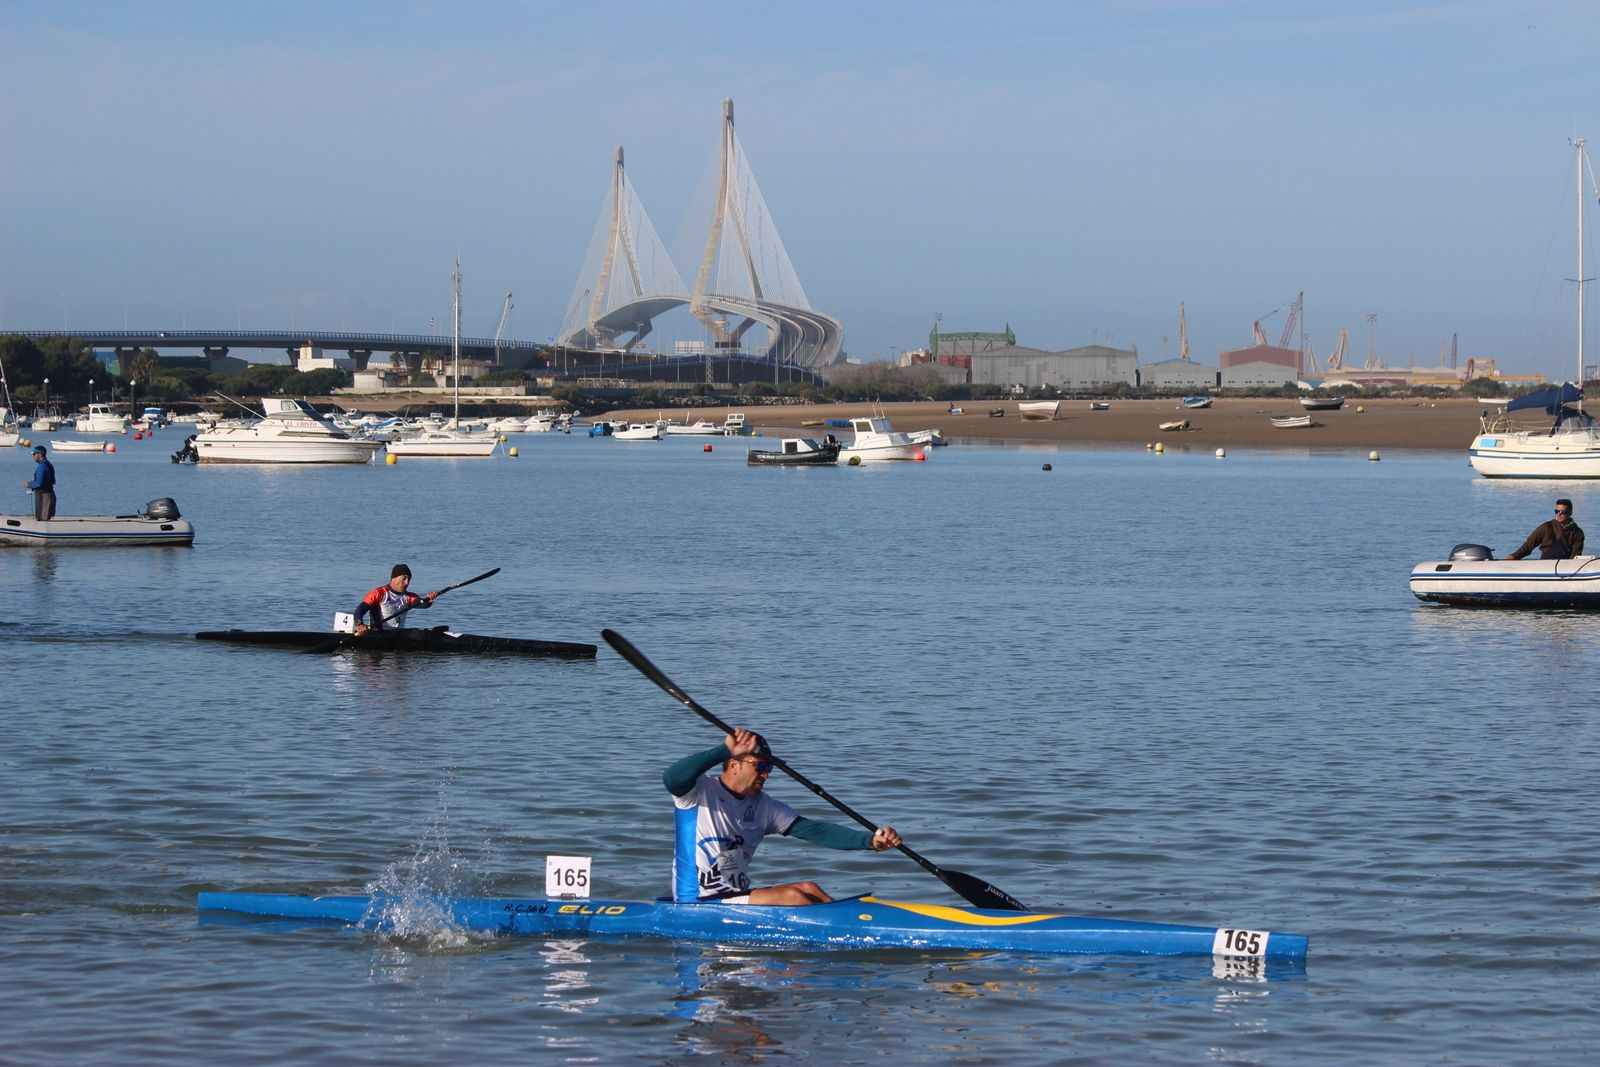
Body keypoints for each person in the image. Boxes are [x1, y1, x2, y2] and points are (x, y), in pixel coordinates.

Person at [664, 727, 902, 906]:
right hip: (698, 902)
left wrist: (870, 842)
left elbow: (816, 831)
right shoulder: (698, 792)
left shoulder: (764, 806)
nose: (766, 775)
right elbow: (672, 777)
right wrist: (724, 750)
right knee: (791, 896)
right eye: (760, 767)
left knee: (809, 888)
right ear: (734, 765)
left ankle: (850, 925)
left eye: (769, 769)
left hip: (733, 896)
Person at [352, 564, 439, 635]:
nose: (407, 583)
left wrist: (429, 599)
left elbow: (423, 604)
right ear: (394, 578)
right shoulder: (378, 593)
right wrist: (360, 625)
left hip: (397, 635)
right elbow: (359, 611)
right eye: (404, 578)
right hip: (379, 635)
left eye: (409, 579)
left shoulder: (408, 597)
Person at [1507, 498, 1585, 560]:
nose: (1559, 514)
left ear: (1570, 513)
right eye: (1557, 511)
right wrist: (1514, 556)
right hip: (1545, 565)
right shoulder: (1546, 527)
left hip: (1565, 567)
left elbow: (1575, 555)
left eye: (1563, 512)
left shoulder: (1578, 533)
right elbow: (1528, 546)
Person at [23, 444, 56, 521]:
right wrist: (34, 482)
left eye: (34, 454)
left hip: (44, 497)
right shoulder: (48, 464)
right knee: (45, 518)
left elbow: (39, 484)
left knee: (42, 519)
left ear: (40, 454)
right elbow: (51, 481)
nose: (33, 456)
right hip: (49, 494)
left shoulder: (42, 467)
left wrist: (28, 484)